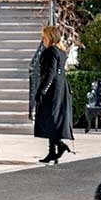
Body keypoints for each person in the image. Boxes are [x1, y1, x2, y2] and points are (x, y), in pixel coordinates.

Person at [33, 25, 75, 164]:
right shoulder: (61, 51)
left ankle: (59, 145)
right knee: (53, 118)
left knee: (49, 117)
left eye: (44, 37)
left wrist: (42, 90)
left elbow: (50, 73)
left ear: (50, 37)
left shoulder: (50, 51)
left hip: (53, 88)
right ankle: (53, 151)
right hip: (61, 85)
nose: (42, 40)